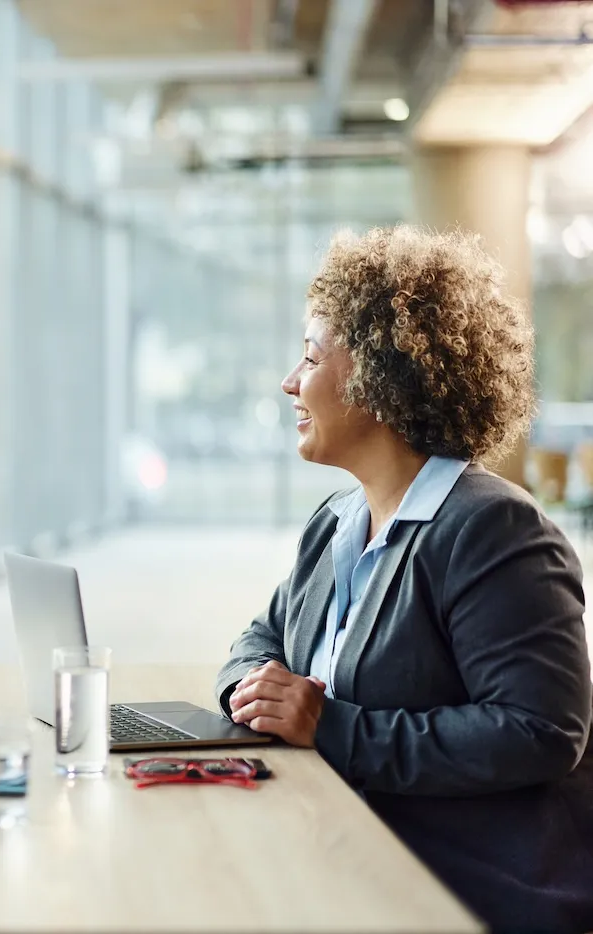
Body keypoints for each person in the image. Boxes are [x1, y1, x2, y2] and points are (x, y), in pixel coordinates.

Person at [217, 225, 593, 932]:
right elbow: (263, 634)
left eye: (309, 358)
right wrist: (254, 690)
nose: (290, 381)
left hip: (461, 884)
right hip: (349, 845)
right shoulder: (337, 518)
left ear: (378, 377)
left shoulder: (492, 530)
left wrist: (330, 727)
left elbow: (541, 729)